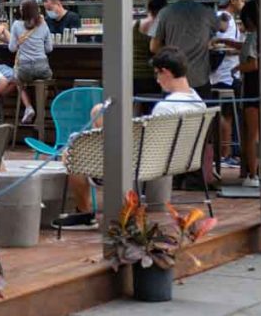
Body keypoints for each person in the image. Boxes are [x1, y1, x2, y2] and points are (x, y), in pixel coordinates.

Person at [55, 46, 205, 229]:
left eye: (157, 75)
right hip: (175, 160)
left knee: (72, 151)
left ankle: (84, 213)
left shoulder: (166, 108)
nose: (157, 81)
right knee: (99, 113)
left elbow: (143, 147)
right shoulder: (198, 102)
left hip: (140, 165)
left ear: (165, 72)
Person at [151, 0, 220, 100]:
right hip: (200, 78)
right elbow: (222, 27)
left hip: (173, 77)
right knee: (202, 117)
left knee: (171, 118)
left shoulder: (165, 13)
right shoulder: (206, 12)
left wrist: (170, 54)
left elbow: (154, 47)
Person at [211, 0, 246, 168]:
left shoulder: (224, 18)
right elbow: (225, 47)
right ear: (232, 0)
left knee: (225, 114)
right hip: (225, 73)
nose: (243, 3)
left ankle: (224, 153)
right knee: (226, 114)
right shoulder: (226, 19)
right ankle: (225, 154)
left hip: (223, 73)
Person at [9, 0, 53, 124]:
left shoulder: (16, 25)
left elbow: (12, 48)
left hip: (24, 68)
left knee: (17, 79)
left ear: (22, 11)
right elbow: (49, 48)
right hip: (42, 67)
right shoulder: (43, 24)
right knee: (45, 82)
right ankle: (41, 109)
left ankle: (28, 107)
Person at [235, 0, 261, 187]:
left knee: (251, 134)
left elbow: (253, 64)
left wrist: (236, 68)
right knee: (257, 133)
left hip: (252, 87)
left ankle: (252, 174)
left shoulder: (253, 37)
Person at [133, 0, 167, 116]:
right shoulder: (162, 26)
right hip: (151, 77)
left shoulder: (134, 25)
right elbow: (156, 50)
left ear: (147, 5)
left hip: (132, 76)